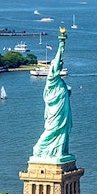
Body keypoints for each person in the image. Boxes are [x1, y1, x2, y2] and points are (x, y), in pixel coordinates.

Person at [32, 28, 73, 160]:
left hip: (62, 111)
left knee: (62, 130)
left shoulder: (58, 81)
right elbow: (57, 59)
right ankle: (39, 149)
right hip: (56, 112)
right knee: (53, 128)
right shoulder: (52, 79)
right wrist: (62, 43)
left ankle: (60, 151)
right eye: (58, 65)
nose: (60, 65)